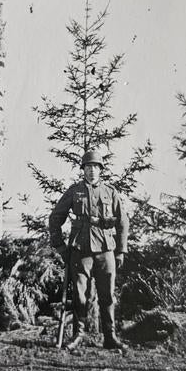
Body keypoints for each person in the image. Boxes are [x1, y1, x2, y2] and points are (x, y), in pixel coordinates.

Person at [49, 147, 129, 351]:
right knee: (80, 295)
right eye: (88, 167)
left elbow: (123, 221)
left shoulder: (110, 192)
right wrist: (60, 246)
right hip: (81, 249)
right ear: (83, 169)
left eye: (95, 167)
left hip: (105, 249)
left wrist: (121, 250)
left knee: (107, 295)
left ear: (101, 170)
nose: (92, 170)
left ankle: (110, 337)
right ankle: (79, 335)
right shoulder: (74, 191)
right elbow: (55, 217)